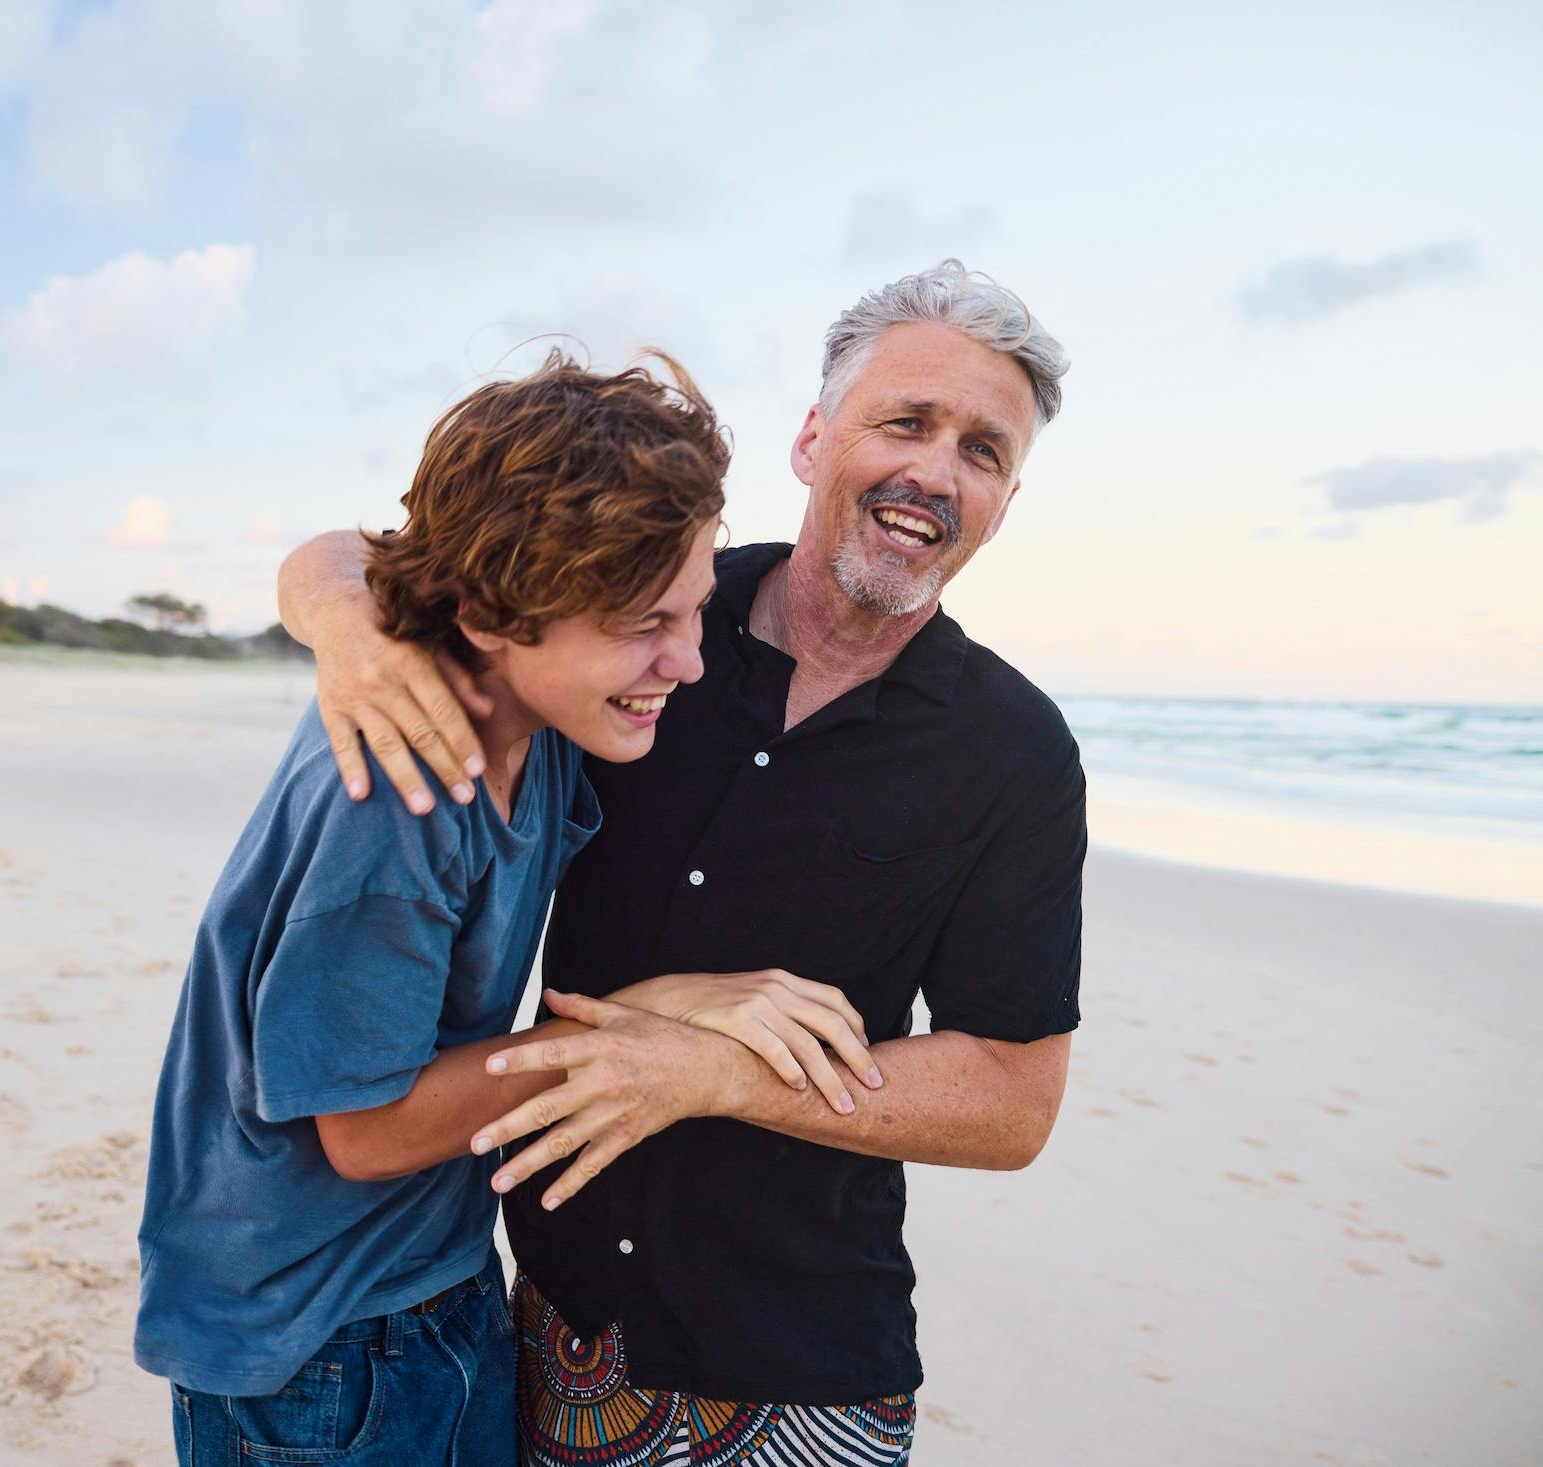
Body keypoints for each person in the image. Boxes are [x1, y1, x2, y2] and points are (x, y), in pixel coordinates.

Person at [278, 260, 1083, 1466]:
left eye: (982, 450)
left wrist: (713, 1073)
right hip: (538, 1328)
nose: (933, 470)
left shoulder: (1013, 752)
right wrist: (345, 623)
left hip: (794, 1373)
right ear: (814, 440)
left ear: (1005, 501)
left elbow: (1014, 1102)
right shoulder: (652, 617)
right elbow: (386, 552)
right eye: (904, 422)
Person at [136, 348, 881, 1467]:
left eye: (693, 608)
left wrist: (338, 609)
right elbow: (367, 1132)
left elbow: (348, 554)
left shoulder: (542, 718)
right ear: (492, 612)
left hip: (429, 1277)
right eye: (644, 624)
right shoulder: (397, 805)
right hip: (318, 1341)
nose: (686, 662)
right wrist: (653, 1019)